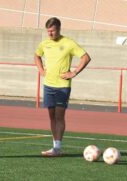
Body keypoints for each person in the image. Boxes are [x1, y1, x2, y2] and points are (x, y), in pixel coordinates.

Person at [34, 17, 91, 157]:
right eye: (48, 31)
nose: (50, 34)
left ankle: (58, 148)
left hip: (62, 87)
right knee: (51, 116)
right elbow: (36, 55)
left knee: (59, 116)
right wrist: (41, 69)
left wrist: (74, 72)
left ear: (59, 29)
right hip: (48, 85)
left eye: (52, 31)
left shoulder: (69, 43)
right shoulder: (44, 43)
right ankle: (55, 147)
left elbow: (86, 57)